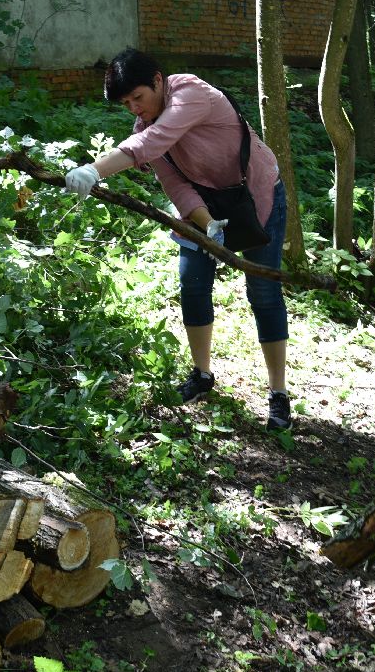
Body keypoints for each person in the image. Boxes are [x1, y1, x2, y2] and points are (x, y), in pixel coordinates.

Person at [63, 49, 292, 430]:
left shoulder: (191, 94)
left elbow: (151, 143)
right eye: (126, 104)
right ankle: (201, 374)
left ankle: (278, 393)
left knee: (264, 292)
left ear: (158, 80)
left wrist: (94, 170)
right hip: (204, 205)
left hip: (256, 194)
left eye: (137, 97)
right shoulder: (145, 127)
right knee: (193, 284)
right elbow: (175, 185)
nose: (134, 108)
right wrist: (209, 224)